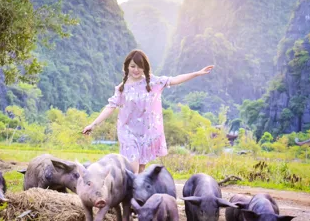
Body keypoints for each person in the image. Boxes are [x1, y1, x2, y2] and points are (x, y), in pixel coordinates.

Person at [82, 49, 214, 174]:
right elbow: (110, 107)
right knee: (132, 168)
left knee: (140, 169)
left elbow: (174, 80)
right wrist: (93, 124)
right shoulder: (122, 88)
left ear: (145, 67)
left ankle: (135, 197)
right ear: (127, 66)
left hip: (146, 132)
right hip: (127, 131)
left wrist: (196, 73)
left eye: (140, 66)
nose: (136, 70)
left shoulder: (153, 82)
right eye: (133, 66)